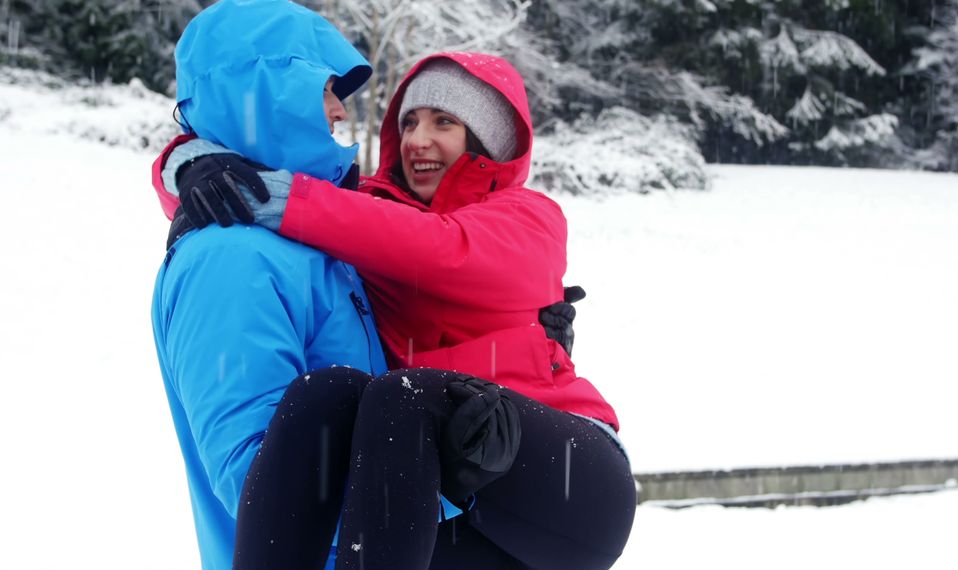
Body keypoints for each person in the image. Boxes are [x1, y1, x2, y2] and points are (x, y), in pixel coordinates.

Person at [153, 5, 635, 569]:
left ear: (488, 139)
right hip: (448, 488)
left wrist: (263, 193)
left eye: (444, 123)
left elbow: (437, 249)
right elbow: (307, 205)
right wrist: (189, 163)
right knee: (339, 393)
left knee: (401, 397)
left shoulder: (526, 215)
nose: (418, 140)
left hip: (564, 472)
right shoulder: (328, 231)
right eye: (408, 123)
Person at [149, 2, 383, 569]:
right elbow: (267, 490)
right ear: (265, 89)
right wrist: (456, 485)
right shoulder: (232, 259)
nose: (340, 112)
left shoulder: (308, 245)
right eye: (325, 88)